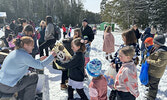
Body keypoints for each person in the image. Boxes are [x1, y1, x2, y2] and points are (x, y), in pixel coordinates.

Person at [109, 29, 140, 100]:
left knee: (121, 81)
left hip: (122, 69)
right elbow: (117, 54)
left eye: (124, 37)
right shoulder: (123, 45)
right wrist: (113, 60)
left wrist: (117, 65)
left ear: (129, 37)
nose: (122, 39)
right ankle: (114, 92)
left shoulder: (132, 48)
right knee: (118, 80)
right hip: (119, 68)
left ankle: (115, 92)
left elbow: (128, 61)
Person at [145, 34, 167, 100]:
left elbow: (160, 63)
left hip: (156, 73)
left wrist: (150, 61)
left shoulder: (163, 52)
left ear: (158, 44)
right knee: (151, 84)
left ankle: (151, 97)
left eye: (154, 43)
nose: (153, 44)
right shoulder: (157, 49)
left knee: (153, 86)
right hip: (153, 71)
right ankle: (150, 94)